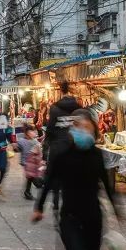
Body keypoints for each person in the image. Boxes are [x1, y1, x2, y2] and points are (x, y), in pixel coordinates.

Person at [32, 108, 125, 250]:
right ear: (72, 130)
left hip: (93, 216)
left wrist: (118, 211)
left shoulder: (96, 155)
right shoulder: (61, 153)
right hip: (70, 216)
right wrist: (39, 207)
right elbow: (50, 180)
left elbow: (107, 185)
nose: (83, 131)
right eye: (79, 127)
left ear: (94, 130)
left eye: (87, 127)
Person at [44, 82, 82, 212]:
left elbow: (50, 129)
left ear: (60, 90)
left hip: (58, 146)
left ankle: (55, 201)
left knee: (55, 175)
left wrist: (46, 146)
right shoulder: (78, 107)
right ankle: (71, 202)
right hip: (75, 146)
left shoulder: (54, 108)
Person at [16, 124, 41, 200]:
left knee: (30, 178)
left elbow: (39, 148)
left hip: (33, 163)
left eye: (34, 132)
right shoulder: (22, 141)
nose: (34, 133)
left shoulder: (35, 141)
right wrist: (15, 147)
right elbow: (18, 149)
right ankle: (29, 191)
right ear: (27, 133)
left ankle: (27, 192)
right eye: (32, 132)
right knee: (32, 178)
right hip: (27, 162)